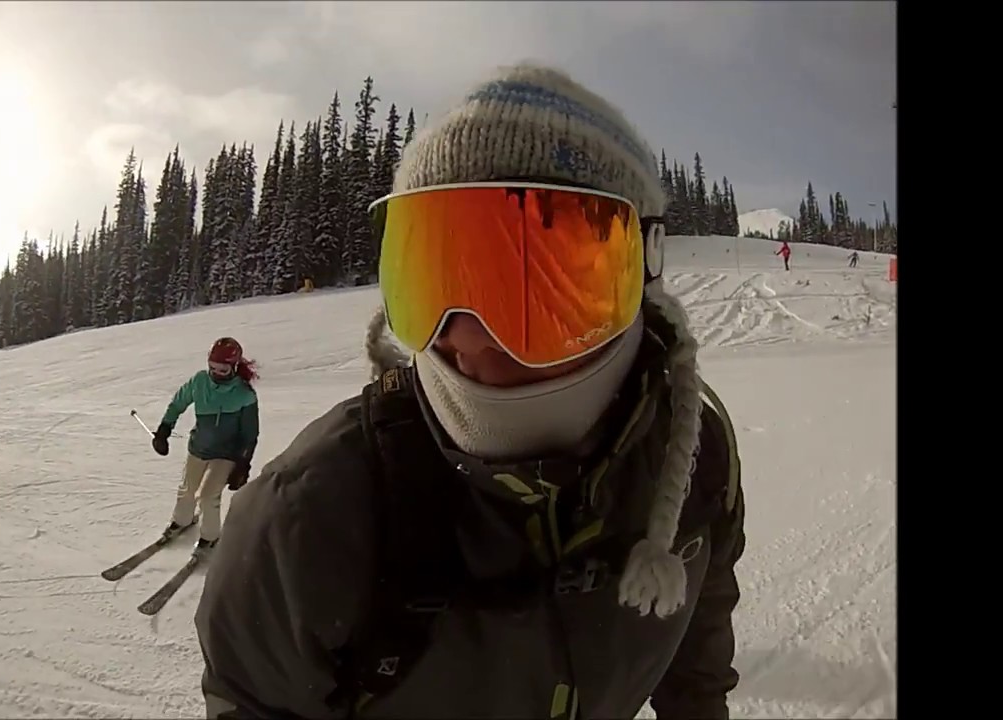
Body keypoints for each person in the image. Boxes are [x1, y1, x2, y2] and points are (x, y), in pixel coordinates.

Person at [196, 62, 746, 720]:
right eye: (436, 273)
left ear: (642, 280)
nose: (469, 341)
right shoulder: (307, 524)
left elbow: (699, 649)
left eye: (540, 288)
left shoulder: (690, 463)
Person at [152, 336, 260, 556]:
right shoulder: (200, 382)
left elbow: (250, 434)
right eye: (212, 367)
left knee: (208, 496)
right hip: (199, 447)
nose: (216, 373)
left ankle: (210, 537)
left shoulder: (244, 394)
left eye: (222, 369)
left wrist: (243, 465)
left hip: (226, 454)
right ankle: (182, 520)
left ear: (234, 366)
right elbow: (178, 403)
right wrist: (164, 430)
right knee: (187, 490)